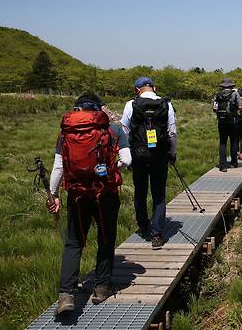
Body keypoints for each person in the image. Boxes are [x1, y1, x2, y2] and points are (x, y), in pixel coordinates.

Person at [48, 94, 131, 315]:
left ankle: (66, 294)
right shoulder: (112, 129)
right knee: (106, 238)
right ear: (99, 108)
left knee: (74, 242)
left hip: (76, 194)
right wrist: (114, 170)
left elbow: (58, 167)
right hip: (105, 193)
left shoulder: (67, 132)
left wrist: (53, 194)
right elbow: (127, 159)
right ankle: (102, 287)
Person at [121, 77, 177, 250]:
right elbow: (172, 131)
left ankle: (143, 224)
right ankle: (157, 234)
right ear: (154, 88)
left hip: (138, 155)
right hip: (159, 155)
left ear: (137, 89)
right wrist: (172, 153)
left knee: (140, 190)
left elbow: (124, 130)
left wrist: (127, 155)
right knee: (159, 194)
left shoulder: (131, 104)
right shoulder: (166, 104)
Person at [213, 78, 242, 171]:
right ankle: (234, 162)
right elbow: (240, 107)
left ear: (223, 86)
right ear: (231, 86)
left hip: (221, 122)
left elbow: (214, 108)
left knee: (223, 143)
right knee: (234, 142)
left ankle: (223, 166)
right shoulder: (235, 94)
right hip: (233, 122)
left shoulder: (218, 95)